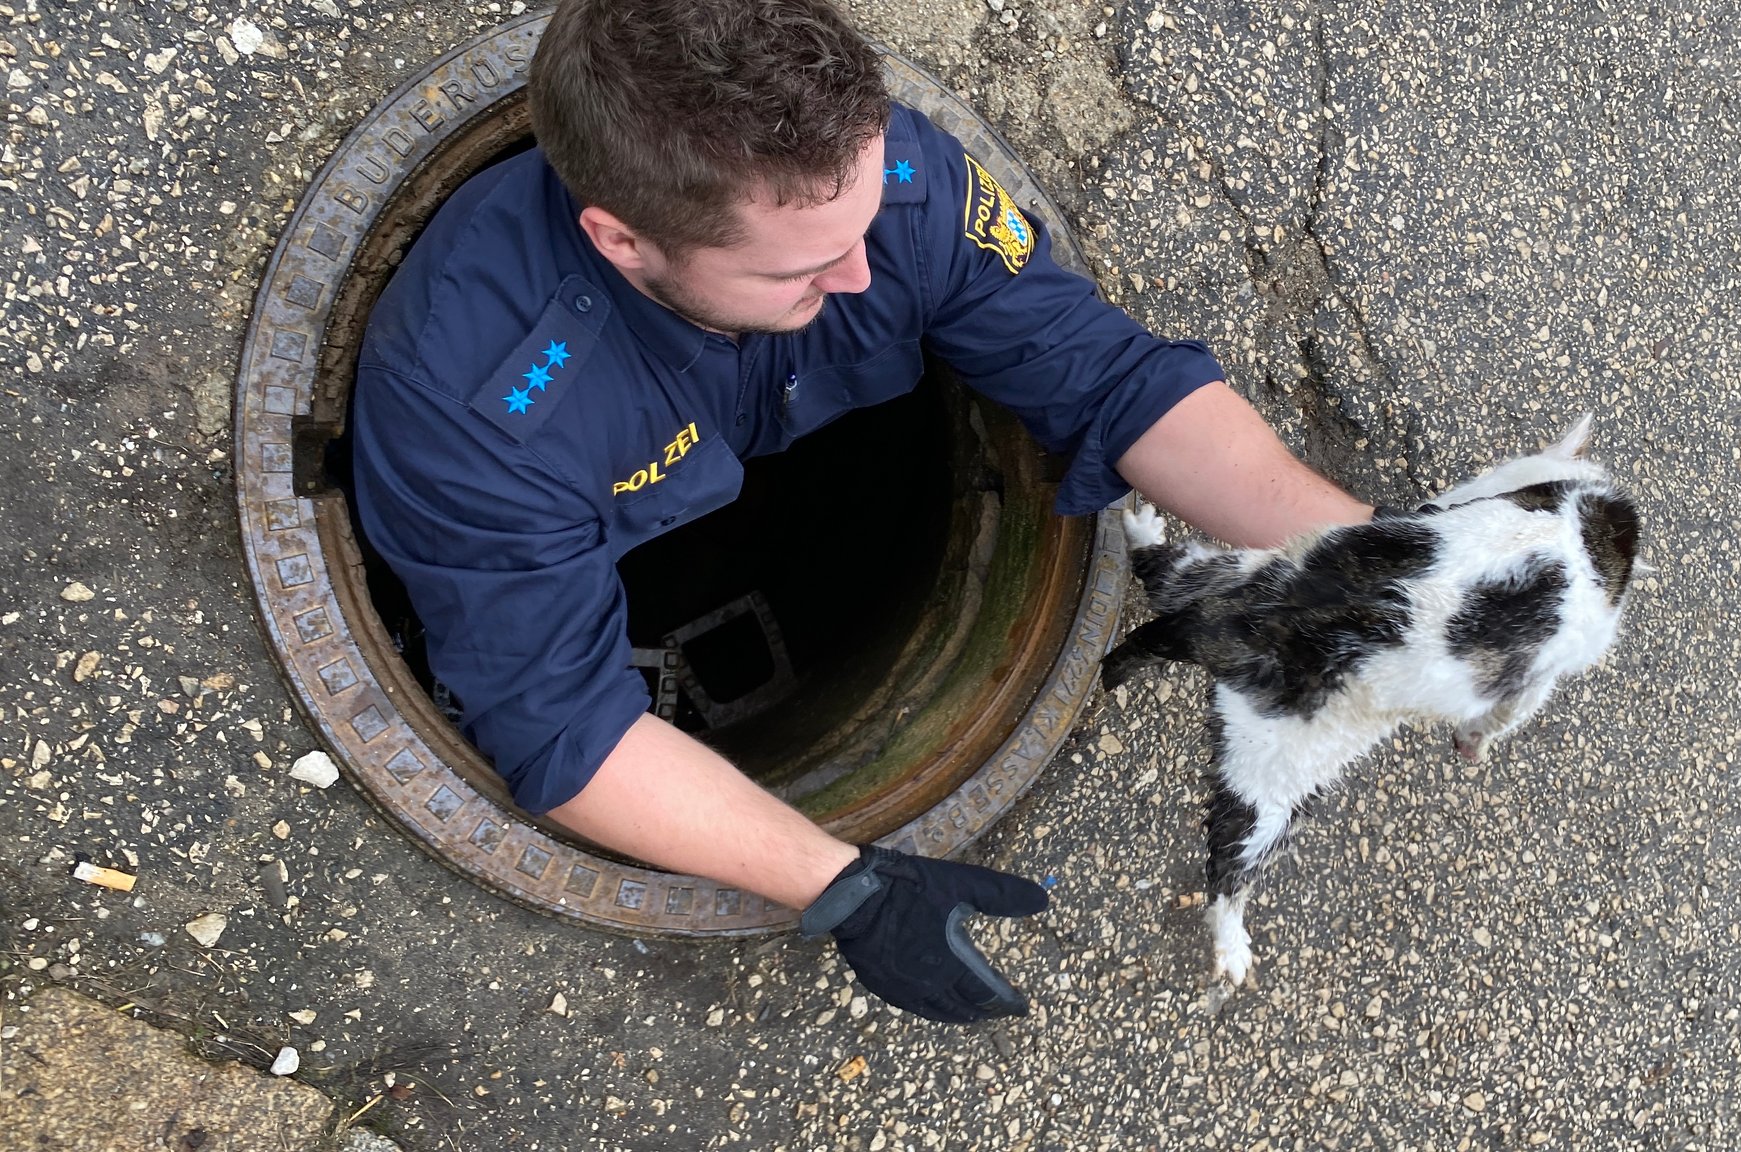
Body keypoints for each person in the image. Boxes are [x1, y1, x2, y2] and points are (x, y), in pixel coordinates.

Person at [350, 0, 1371, 1024]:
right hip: (561, 544)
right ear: (623, 241)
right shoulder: (473, 407)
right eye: (802, 267)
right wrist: (843, 885)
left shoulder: (883, 197)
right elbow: (567, 731)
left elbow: (1115, 384)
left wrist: (1374, 571)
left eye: (866, 213)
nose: (861, 275)